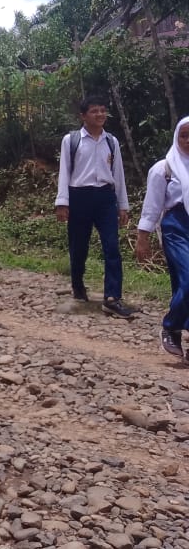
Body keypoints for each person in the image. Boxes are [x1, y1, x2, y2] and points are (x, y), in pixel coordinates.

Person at [54, 95, 133, 317]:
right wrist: (62, 202)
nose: (100, 115)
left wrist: (122, 205)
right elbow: (64, 172)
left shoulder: (111, 142)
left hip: (105, 198)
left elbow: (118, 174)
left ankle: (112, 297)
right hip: (79, 196)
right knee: (79, 247)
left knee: (112, 247)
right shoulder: (72, 140)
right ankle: (78, 287)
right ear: (83, 116)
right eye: (94, 111)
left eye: (102, 110)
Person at [134, 116, 189, 358]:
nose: (188, 140)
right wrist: (142, 237)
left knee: (182, 283)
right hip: (176, 227)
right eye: (184, 135)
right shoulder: (163, 168)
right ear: (176, 137)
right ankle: (171, 326)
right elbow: (152, 206)